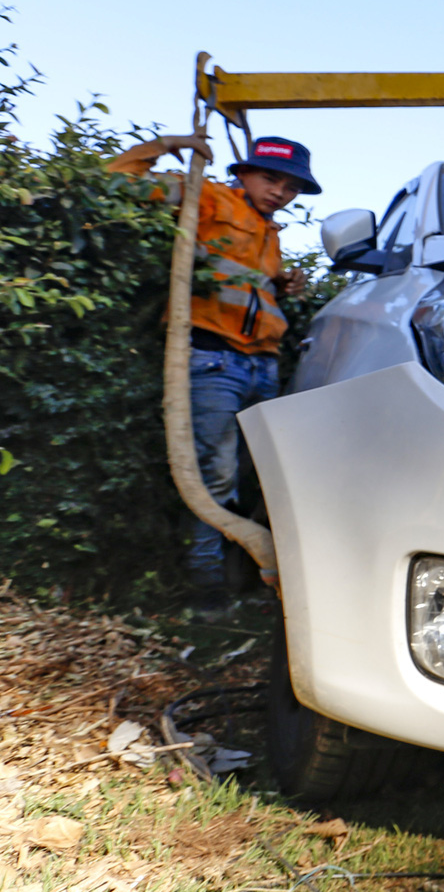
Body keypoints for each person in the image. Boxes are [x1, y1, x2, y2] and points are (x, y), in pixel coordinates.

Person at [107, 134, 319, 613]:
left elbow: (239, 290)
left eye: (290, 187)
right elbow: (118, 184)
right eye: (271, 178)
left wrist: (279, 288)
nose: (280, 192)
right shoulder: (206, 194)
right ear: (242, 172)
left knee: (254, 476)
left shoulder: (270, 233)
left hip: (260, 364)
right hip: (212, 359)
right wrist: (167, 144)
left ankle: (244, 576)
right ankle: (207, 587)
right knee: (215, 476)